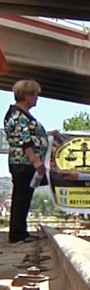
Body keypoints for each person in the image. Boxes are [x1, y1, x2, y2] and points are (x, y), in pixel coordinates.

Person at [4, 79, 47, 243]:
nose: (37, 98)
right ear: (27, 95)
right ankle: (17, 233)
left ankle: (21, 231)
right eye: (35, 94)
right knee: (21, 196)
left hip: (26, 163)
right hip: (23, 163)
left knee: (24, 196)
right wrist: (35, 160)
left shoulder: (22, 115)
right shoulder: (17, 115)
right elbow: (25, 140)